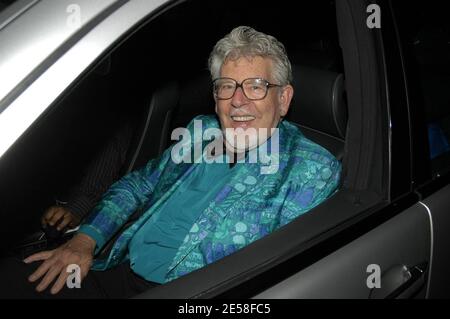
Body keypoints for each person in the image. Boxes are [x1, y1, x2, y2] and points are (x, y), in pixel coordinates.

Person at [0, 26, 341, 298]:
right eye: (226, 86)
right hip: (111, 268)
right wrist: (84, 240)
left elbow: (276, 273)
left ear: (283, 99)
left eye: (255, 86)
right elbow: (137, 185)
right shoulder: (200, 132)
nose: (238, 101)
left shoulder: (311, 170)